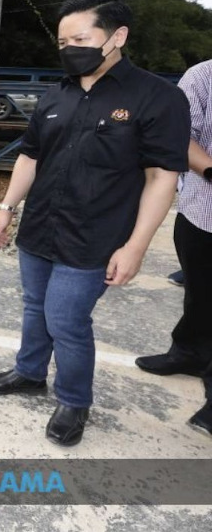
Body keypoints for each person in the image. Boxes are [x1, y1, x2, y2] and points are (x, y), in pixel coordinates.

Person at [0, 0, 190, 447]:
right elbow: (30, 156)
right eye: (62, 42)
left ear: (117, 36)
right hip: (40, 225)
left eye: (80, 39)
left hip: (97, 234)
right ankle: (29, 372)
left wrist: (135, 247)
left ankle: (74, 401)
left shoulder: (158, 97)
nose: (70, 49)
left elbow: (161, 178)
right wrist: (6, 208)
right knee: (35, 305)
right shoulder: (57, 93)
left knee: (66, 319)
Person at [135, 58, 212, 437]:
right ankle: (189, 353)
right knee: (199, 294)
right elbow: (180, 134)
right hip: (202, 211)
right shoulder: (203, 76)